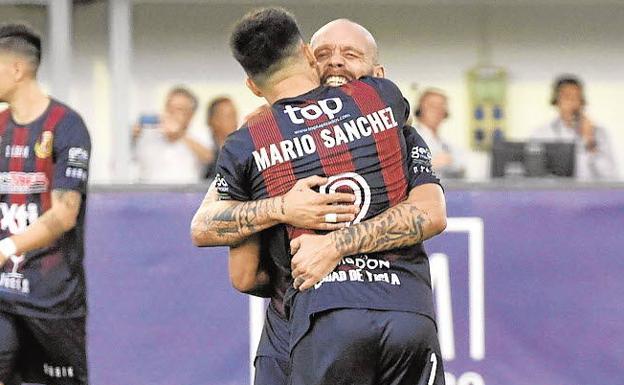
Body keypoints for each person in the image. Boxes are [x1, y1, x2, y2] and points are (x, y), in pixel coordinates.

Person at [192, 9, 446, 385]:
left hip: (319, 315)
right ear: (308, 53)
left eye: (351, 55)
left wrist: (332, 247)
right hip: (403, 312)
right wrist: (283, 207)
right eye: (326, 54)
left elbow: (242, 273)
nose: (337, 62)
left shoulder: (250, 143)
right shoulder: (385, 101)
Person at [0, 23, 91, 385]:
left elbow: (65, 214)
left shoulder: (67, 126)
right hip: (3, 296)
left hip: (53, 300)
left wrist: (8, 246)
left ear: (17, 69)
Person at [531, 75, 617, 180]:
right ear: (556, 101)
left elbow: (610, 175)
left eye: (577, 98)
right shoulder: (542, 133)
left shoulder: (599, 133)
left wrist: (590, 142)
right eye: (567, 97)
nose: (572, 103)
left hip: (589, 194)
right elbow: (534, 175)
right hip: (554, 194)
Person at [133, 86, 212, 184]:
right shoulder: (149, 133)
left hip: (185, 195)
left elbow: (208, 158)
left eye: (178, 109)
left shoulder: (200, 134)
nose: (171, 113)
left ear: (190, 115)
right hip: (150, 194)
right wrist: (133, 135)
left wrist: (180, 134)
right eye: (169, 107)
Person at [414, 88, 465, 179]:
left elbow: (460, 165)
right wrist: (431, 164)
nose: (437, 111)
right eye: (432, 106)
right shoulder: (409, 138)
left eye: (441, 107)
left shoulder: (445, 143)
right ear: (420, 109)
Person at [203, 96, 238, 179]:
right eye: (229, 116)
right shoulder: (203, 142)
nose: (235, 122)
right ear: (213, 120)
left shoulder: (241, 147)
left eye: (235, 116)